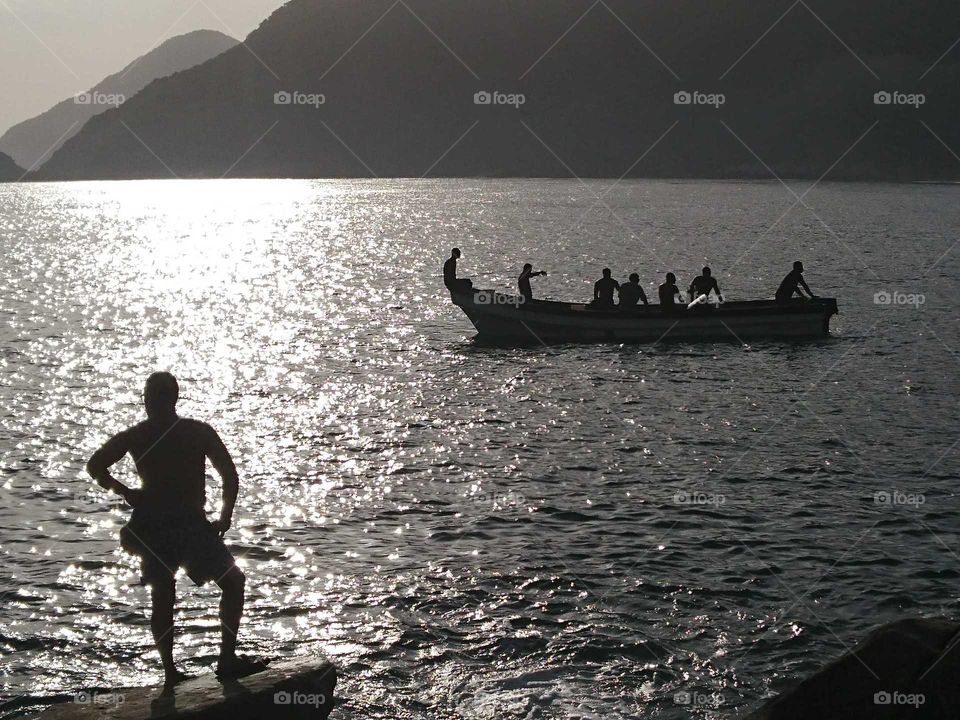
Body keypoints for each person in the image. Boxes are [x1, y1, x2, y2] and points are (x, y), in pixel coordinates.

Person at [86, 372, 266, 688]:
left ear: (154, 401)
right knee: (226, 584)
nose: (147, 402)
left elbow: (95, 466)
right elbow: (229, 475)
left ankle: (178, 670)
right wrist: (224, 518)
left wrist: (123, 489)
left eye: (149, 397)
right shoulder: (194, 432)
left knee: (170, 593)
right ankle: (210, 663)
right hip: (175, 525)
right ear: (172, 399)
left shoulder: (142, 435)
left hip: (162, 525)